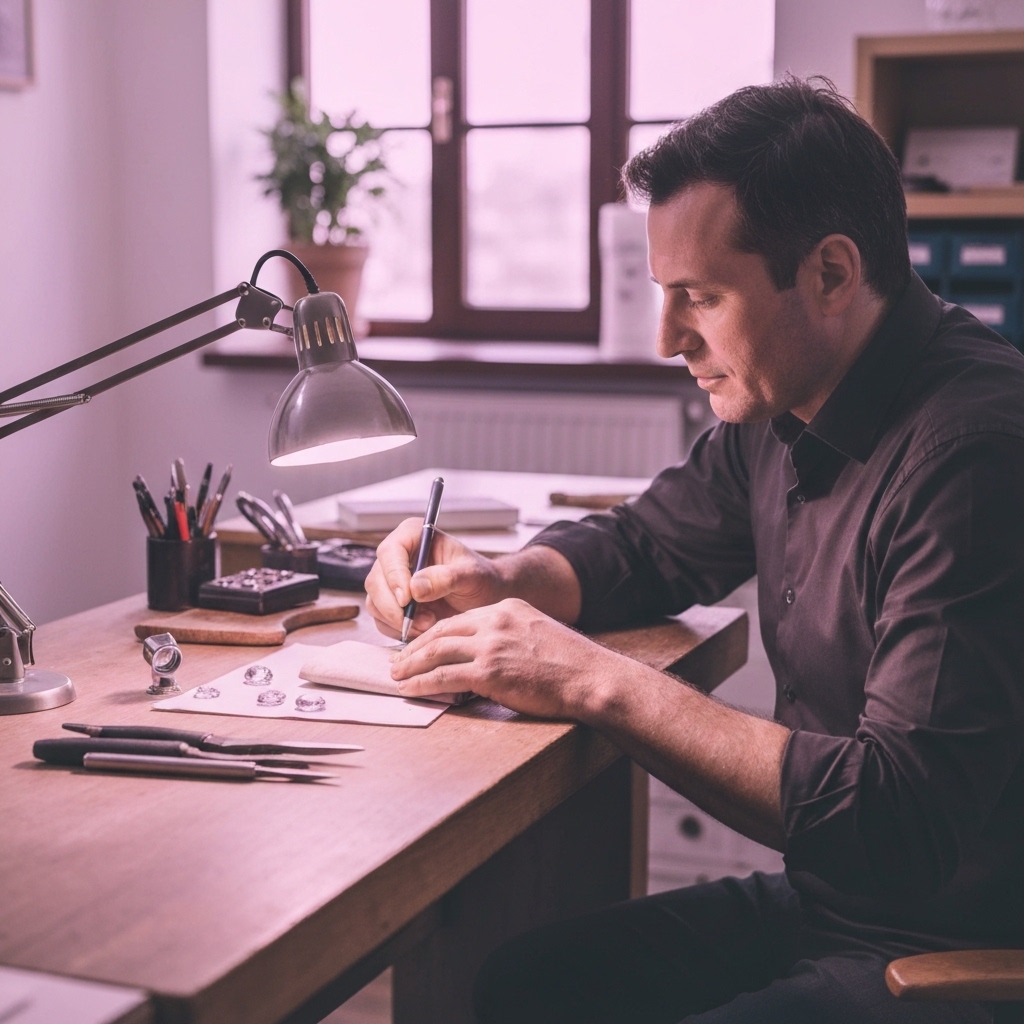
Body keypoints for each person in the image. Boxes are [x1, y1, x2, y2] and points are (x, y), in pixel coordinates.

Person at [364, 77, 1024, 1024]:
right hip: (839, 907)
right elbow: (646, 546)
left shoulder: (973, 454)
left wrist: (597, 681)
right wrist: (501, 579)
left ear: (832, 274)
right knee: (518, 986)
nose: (668, 336)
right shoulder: (785, 392)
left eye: (700, 298)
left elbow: (896, 821)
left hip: (949, 948)